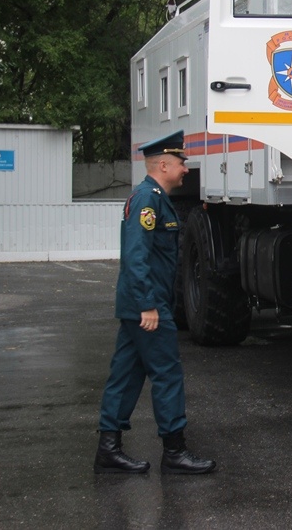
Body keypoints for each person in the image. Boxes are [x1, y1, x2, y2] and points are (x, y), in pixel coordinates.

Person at [94, 130, 216, 475]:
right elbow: (136, 257)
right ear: (162, 164)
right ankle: (175, 451)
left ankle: (108, 448)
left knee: (126, 375)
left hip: (139, 304)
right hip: (148, 305)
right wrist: (148, 304)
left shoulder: (155, 199)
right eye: (180, 163)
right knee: (167, 374)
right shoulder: (148, 200)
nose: (185, 170)